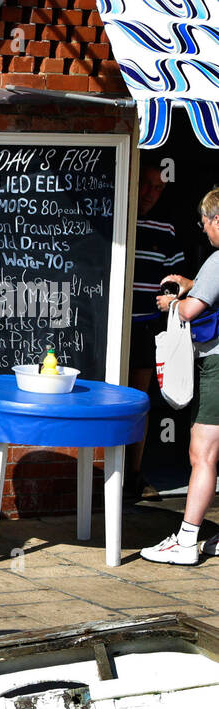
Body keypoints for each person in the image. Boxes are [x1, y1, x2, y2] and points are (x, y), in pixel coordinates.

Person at [141, 187, 219, 565]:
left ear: (216, 219)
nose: (204, 231)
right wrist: (192, 286)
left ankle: (186, 541)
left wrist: (173, 301)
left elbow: (190, 312)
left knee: (201, 455)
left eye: (205, 223)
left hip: (217, 366)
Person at [126, 161, 185, 501]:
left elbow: (175, 281)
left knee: (138, 402)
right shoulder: (114, 218)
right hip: (108, 330)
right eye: (145, 184)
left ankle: (133, 476)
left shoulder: (165, 229)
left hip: (145, 328)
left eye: (158, 188)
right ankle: (104, 473)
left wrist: (171, 297)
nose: (150, 193)